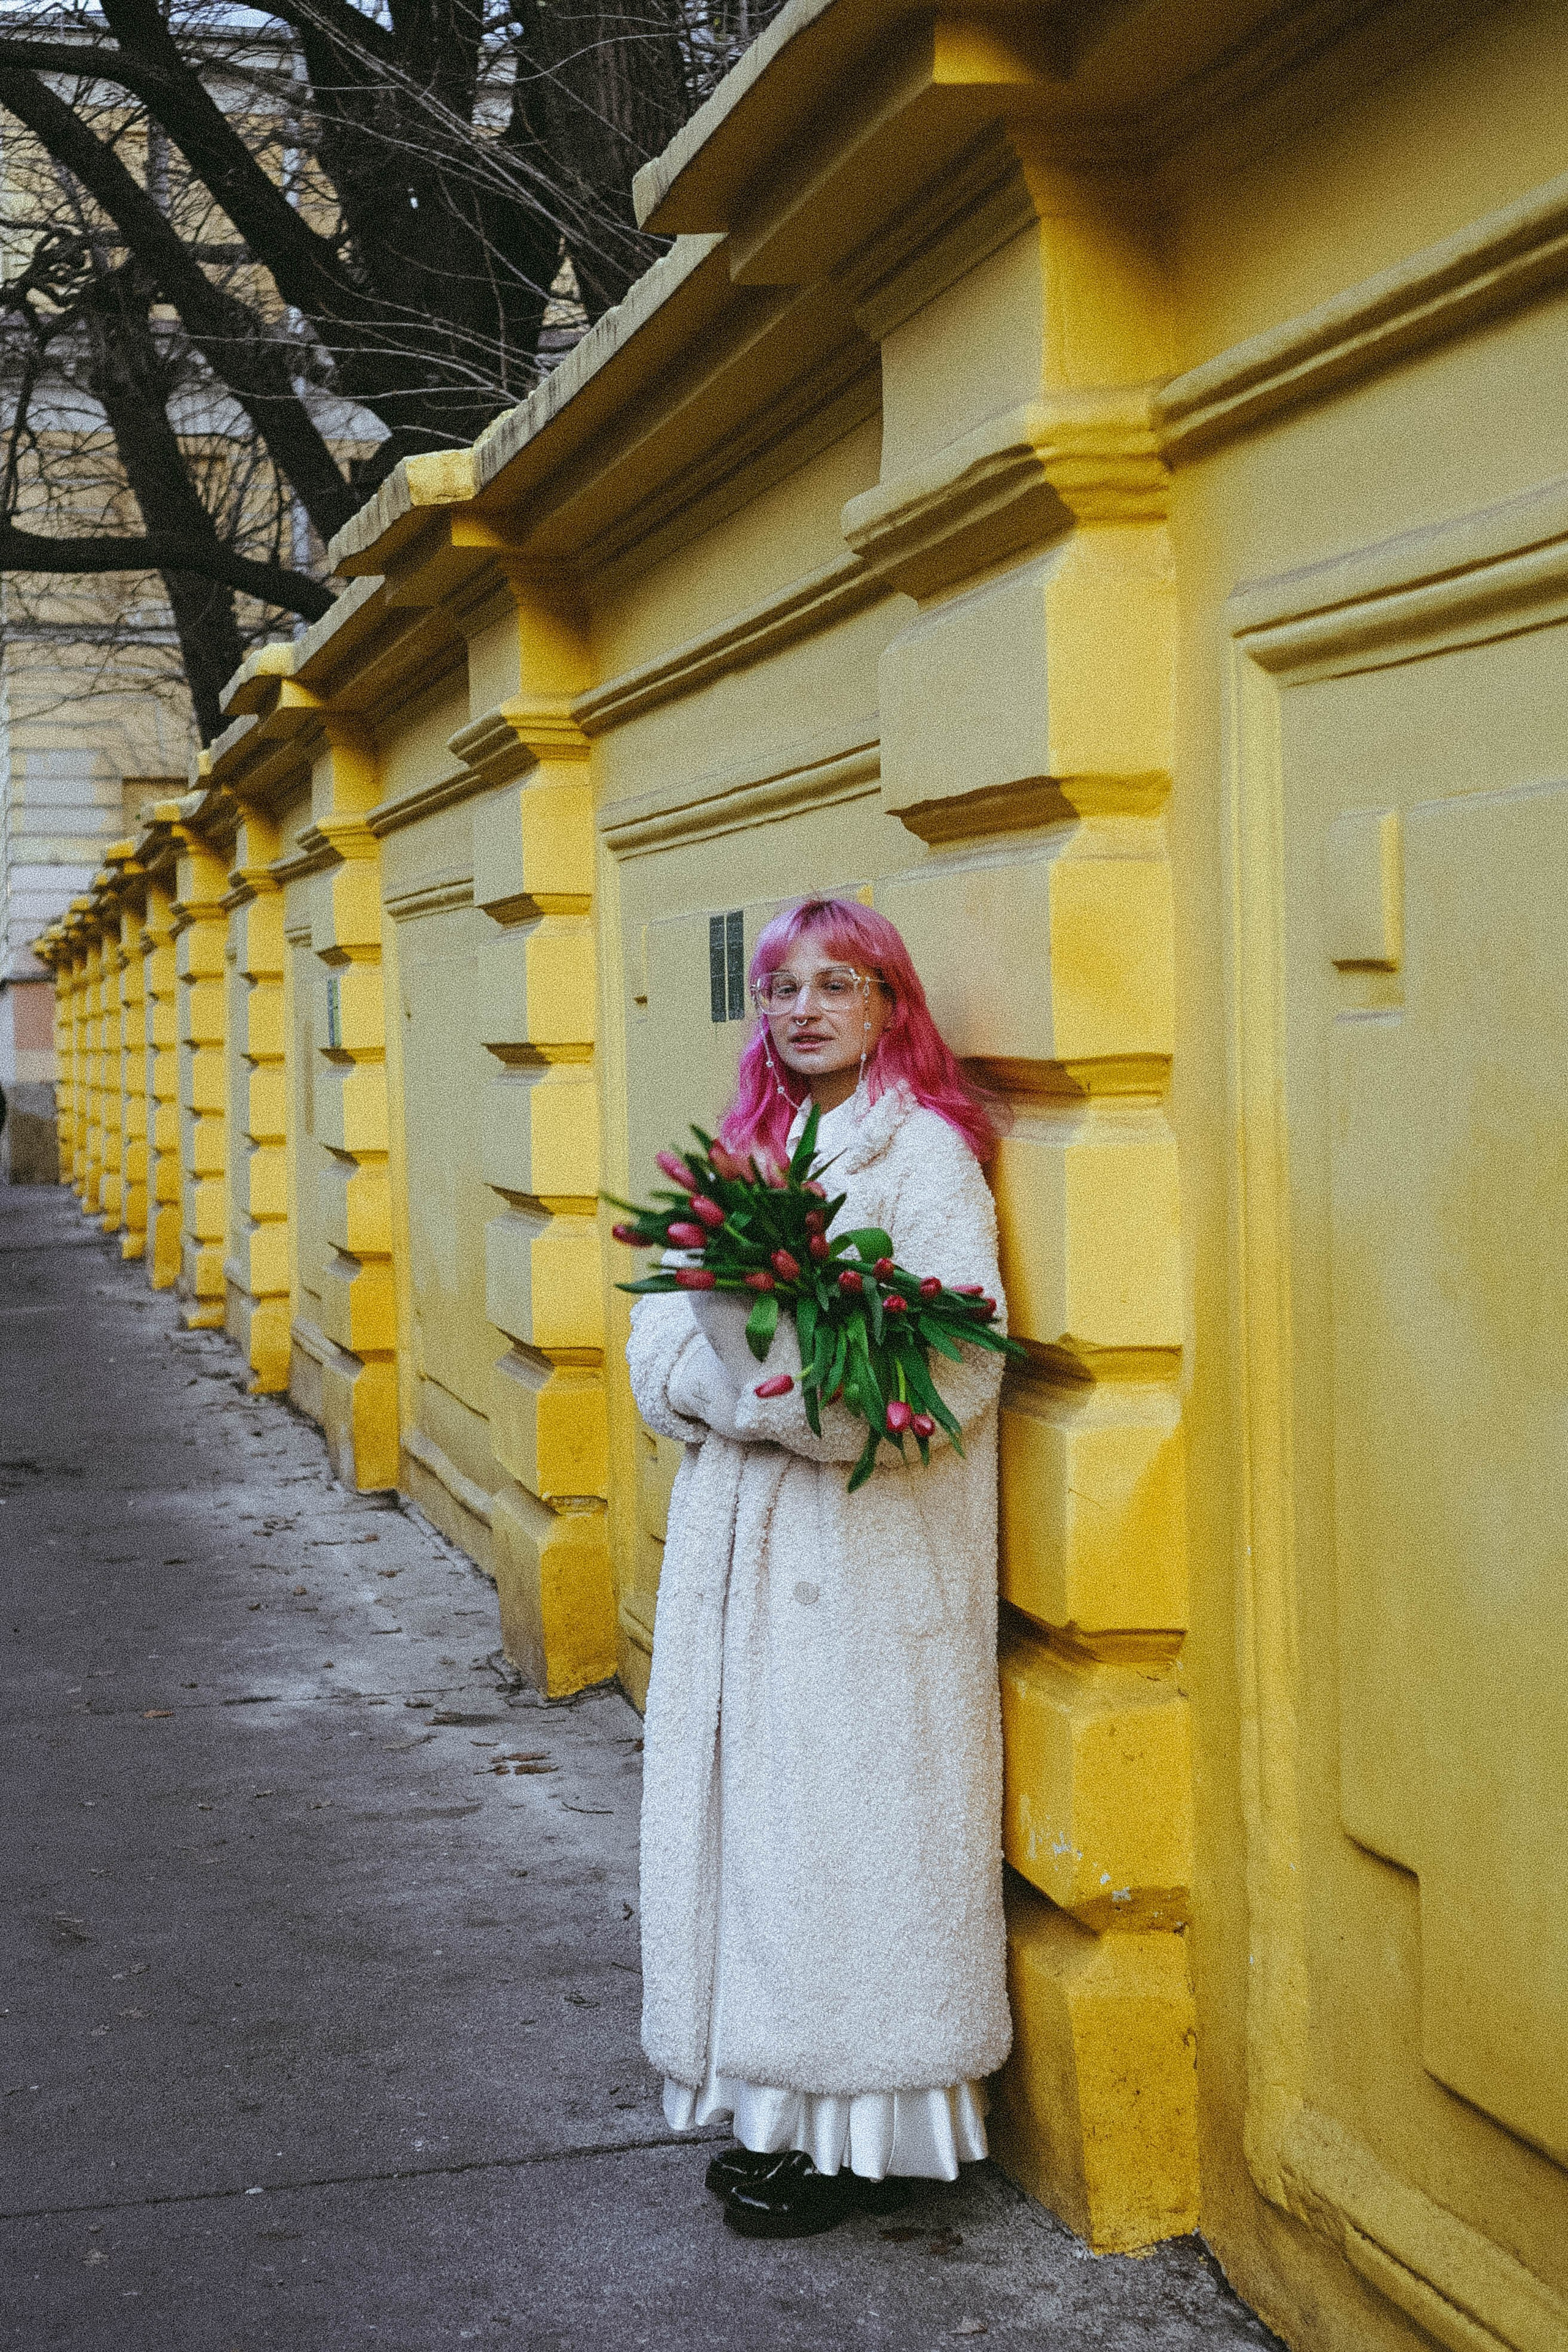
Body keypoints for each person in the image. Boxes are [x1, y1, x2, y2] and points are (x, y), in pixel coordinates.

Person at [626, 897, 1012, 2239]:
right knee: (764, 1838)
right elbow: (660, 1340)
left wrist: (786, 1395)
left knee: (851, 1848)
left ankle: (865, 2129)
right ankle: (777, 2109)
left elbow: (956, 1368)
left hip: (864, 1568)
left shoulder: (924, 1159)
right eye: (780, 988)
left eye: (833, 985)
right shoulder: (752, 1146)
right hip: (746, 1555)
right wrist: (723, 1384)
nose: (799, 1010)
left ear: (886, 1004)